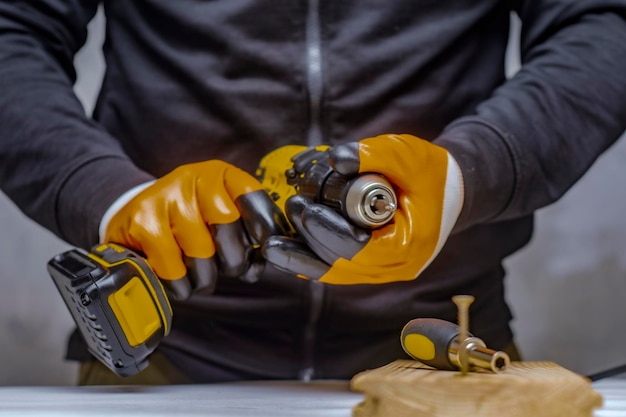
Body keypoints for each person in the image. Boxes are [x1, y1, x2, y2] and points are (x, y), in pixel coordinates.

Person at [0, 1, 625, 385]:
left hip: (444, 353)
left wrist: (468, 175)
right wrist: (109, 196)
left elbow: (602, 23)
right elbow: (12, 31)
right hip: (168, 355)